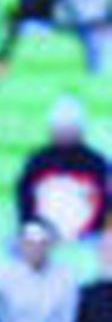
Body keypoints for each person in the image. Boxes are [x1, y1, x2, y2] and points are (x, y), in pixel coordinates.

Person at [17, 97, 110, 242]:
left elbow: (105, 202)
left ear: (81, 130)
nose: (65, 133)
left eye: (70, 128)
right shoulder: (37, 161)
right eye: (61, 128)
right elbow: (25, 200)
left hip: (90, 236)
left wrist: (92, 230)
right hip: (42, 235)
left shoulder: (97, 163)